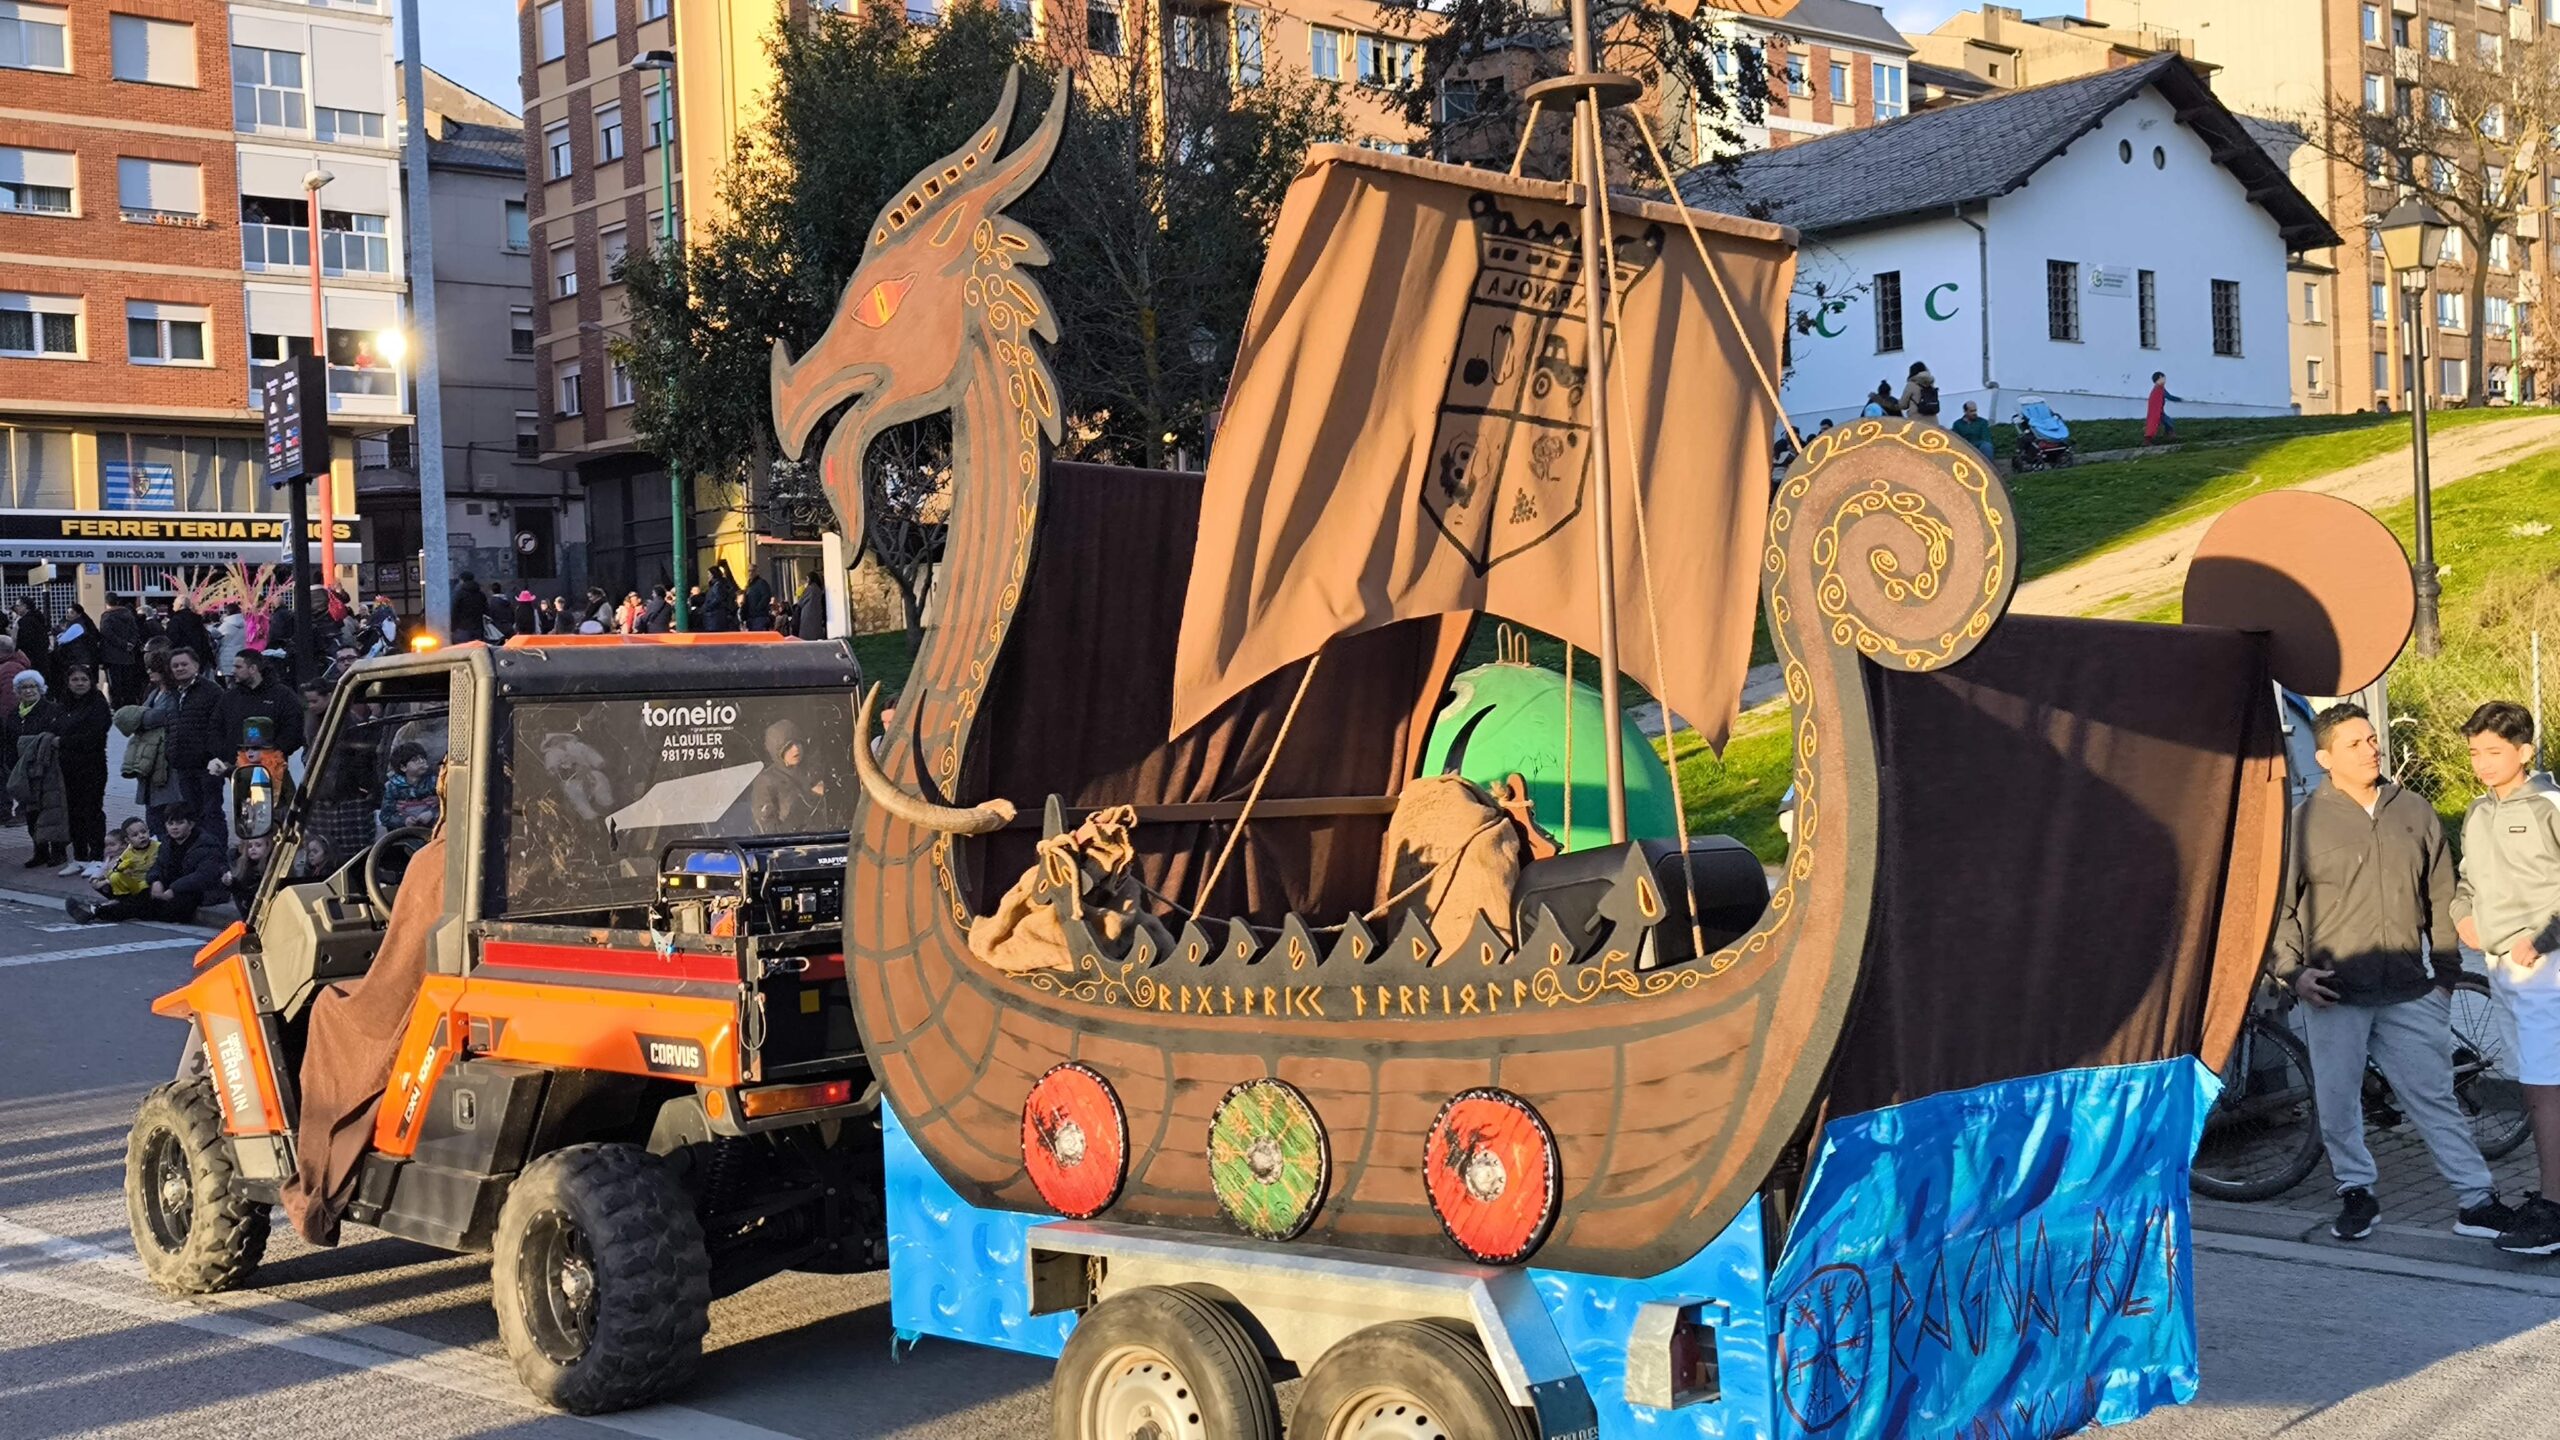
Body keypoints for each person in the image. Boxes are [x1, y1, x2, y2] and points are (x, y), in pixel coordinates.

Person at [2269, 703, 2513, 1243]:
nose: (2371, 749)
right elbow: (2277, 909)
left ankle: (2476, 1201)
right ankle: (2357, 1192)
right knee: (2338, 1101)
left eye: (2372, 739)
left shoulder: (2415, 811)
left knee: (2435, 1099)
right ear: (2325, 757)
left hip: (2409, 990)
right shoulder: (2303, 823)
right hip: (2334, 992)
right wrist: (2293, 972)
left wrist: (2444, 976)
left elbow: (2442, 895)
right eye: (2355, 743)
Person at [2450, 701, 2560, 1256]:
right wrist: (2461, 915)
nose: (2482, 762)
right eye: (2475, 752)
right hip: (2499, 968)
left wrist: (2542, 940)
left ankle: (2553, 1210)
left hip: (2547, 968)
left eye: (2494, 751)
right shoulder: (2477, 813)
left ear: (2524, 751)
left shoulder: (2550, 806)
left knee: (2545, 1088)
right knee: (2537, 1085)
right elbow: (2466, 882)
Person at [68, 805, 224, 923]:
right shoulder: (168, 842)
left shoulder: (205, 843)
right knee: (143, 896)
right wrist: (155, 881)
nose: (174, 827)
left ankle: (98, 910)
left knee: (155, 907)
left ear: (191, 824)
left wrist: (174, 888)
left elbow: (203, 876)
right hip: (170, 887)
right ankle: (96, 911)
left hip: (199, 893)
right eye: (170, 823)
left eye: (180, 823)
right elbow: (159, 865)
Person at [50, 663, 110, 878]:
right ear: (68, 682)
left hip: (92, 765)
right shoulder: (63, 704)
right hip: (67, 766)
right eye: (75, 679)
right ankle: (80, 857)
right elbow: (54, 728)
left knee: (92, 811)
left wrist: (64, 741)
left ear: (91, 681)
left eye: (84, 679)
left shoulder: (98, 703)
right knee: (73, 812)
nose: (79, 683)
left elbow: (96, 734)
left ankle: (97, 857)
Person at [3, 671, 64, 869]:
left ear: (40, 689)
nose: (28, 691)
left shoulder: (52, 710)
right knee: (31, 813)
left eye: (32, 687)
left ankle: (58, 851)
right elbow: (9, 744)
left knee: (52, 811)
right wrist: (12, 766)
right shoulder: (14, 715)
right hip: (24, 772)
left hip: (47, 770)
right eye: (24, 688)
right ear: (17, 692)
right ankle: (40, 851)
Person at [212, 650, 305, 769]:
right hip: (235, 769)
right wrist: (227, 756)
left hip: (272, 769)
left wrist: (271, 754)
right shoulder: (229, 698)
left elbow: (293, 729)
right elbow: (215, 728)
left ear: (253, 669)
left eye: (238, 667)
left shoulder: (282, 696)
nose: (233, 671)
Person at [378, 741, 441, 832]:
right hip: (405, 833)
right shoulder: (393, 787)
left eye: (422, 758)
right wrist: (404, 820)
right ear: (403, 767)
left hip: (433, 830)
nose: (421, 761)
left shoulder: (435, 781)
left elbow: (450, 803)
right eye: (415, 760)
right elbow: (385, 817)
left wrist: (433, 813)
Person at [93, 817, 156, 900]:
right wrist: (97, 878)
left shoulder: (156, 847)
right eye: (106, 845)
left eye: (112, 845)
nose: (141, 836)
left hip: (143, 885)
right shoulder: (114, 856)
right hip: (126, 886)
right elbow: (106, 871)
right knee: (108, 880)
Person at [100, 594, 145, 707]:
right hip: (128, 656)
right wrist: (130, 644)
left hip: (112, 657)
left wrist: (122, 644)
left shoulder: (107, 616)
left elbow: (107, 633)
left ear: (107, 603)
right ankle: (129, 706)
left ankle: (117, 707)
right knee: (128, 684)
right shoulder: (128, 614)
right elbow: (135, 631)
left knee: (115, 685)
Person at [51, 602, 98, 688]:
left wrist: (58, 633)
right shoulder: (75, 624)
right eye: (68, 612)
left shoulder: (78, 626)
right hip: (77, 659)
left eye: (72, 612)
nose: (68, 615)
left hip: (78, 660)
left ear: (79, 614)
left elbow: (62, 640)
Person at [2144, 371, 2182, 445]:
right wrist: (2179, 399)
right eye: (2164, 378)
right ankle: (2148, 440)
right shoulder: (2159, 389)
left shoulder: (2159, 389)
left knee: (2168, 421)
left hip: (2158, 411)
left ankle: (2169, 434)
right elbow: (2169, 397)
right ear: (2160, 378)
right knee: (2158, 423)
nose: (2165, 381)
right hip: (2157, 412)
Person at [451, 571, 488, 645]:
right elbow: (486, 609)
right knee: (476, 648)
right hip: (478, 627)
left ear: (462, 580)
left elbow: (454, 611)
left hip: (463, 628)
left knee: (463, 648)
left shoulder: (459, 594)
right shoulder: (480, 594)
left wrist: (453, 627)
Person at [795, 576, 827, 641]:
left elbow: (800, 602)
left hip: (807, 617)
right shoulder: (818, 589)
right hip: (816, 617)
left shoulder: (810, 589)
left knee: (806, 638)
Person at [743, 569, 774, 633]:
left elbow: (766, 597)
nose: (750, 573)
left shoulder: (761, 583)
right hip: (750, 618)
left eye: (752, 570)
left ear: (757, 572)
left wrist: (758, 608)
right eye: (749, 571)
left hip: (759, 617)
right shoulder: (748, 586)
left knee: (759, 636)